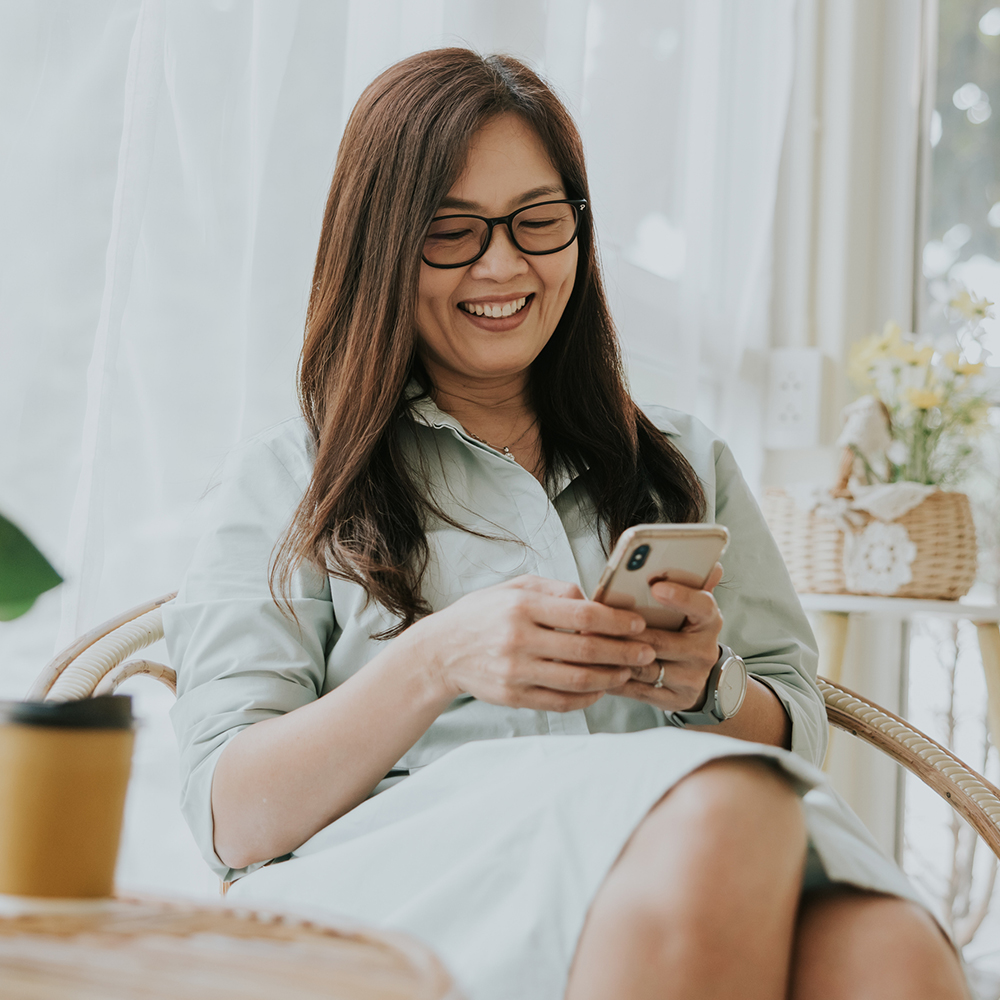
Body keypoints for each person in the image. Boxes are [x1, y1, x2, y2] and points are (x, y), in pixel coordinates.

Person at [166, 48, 967, 1000]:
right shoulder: (288, 480)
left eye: (538, 222)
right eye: (451, 232)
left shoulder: (682, 459)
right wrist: (436, 660)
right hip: (411, 872)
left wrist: (705, 685)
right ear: (382, 245)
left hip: (689, 848)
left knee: (889, 950)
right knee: (721, 807)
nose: (504, 264)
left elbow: (795, 734)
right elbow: (233, 819)